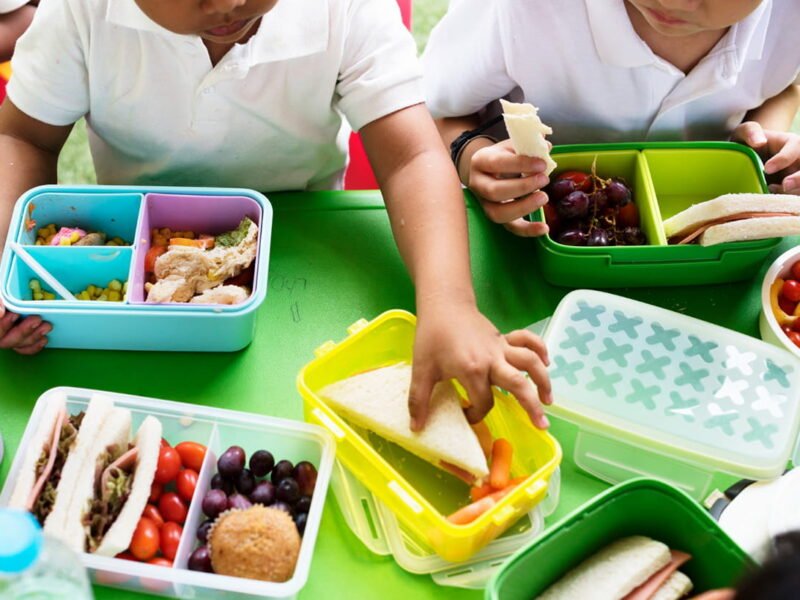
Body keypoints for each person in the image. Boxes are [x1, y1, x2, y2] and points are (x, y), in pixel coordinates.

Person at [0, 0, 552, 429]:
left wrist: (450, 303)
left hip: (308, 242)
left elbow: (411, 157)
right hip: (140, 282)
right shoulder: (80, 12)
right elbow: (22, 137)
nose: (227, 5)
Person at [422, 0, 800, 237]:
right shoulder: (521, 10)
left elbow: (783, 86)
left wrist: (766, 138)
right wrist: (469, 154)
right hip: (524, 238)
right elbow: (431, 111)